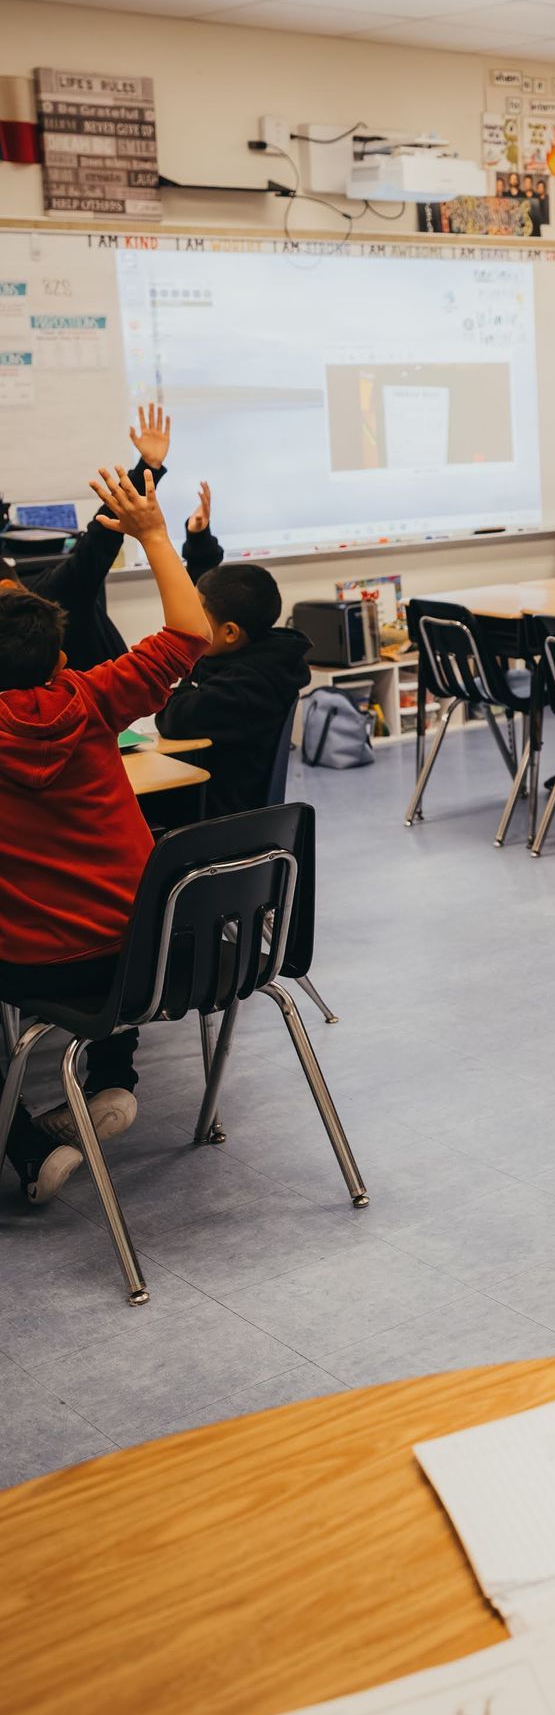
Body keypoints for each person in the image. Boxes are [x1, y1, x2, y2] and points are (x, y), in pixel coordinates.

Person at [0, 465, 210, 1205]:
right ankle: (112, 1081)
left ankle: (24, 1141)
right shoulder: (93, 698)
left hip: (41, 971)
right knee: (111, 907)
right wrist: (155, 535)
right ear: (61, 662)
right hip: (147, 959)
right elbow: (191, 630)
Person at [0, 405, 219, 672]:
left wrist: (146, 468)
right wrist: (153, 535)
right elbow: (186, 641)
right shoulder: (98, 692)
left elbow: (98, 541)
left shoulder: (53, 593)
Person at [155, 538, 312, 817]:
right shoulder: (249, 660)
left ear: (230, 633)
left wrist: (185, 679)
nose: (190, 617)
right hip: (212, 800)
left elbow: (173, 718)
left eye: (197, 611)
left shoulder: (250, 685)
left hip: (220, 819)